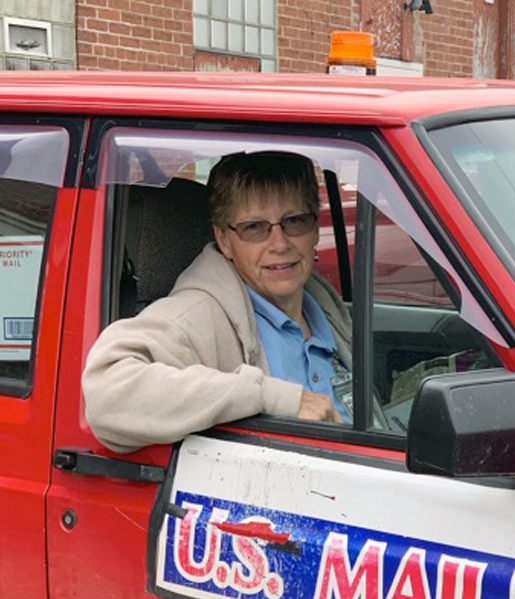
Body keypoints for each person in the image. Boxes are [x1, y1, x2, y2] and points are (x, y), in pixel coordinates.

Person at [82, 151, 352, 453]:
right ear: (224, 240)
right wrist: (274, 398)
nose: (279, 244)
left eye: (294, 221)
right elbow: (107, 393)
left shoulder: (324, 306)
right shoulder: (197, 316)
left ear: (315, 228)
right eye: (254, 228)